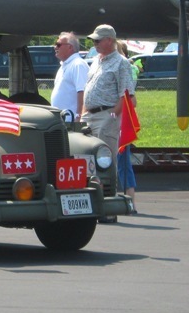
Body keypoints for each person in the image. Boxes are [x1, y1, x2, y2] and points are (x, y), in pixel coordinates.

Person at [81, 25, 135, 157]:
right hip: (89, 117)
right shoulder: (95, 61)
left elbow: (126, 95)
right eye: (93, 41)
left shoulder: (121, 62)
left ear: (109, 40)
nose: (94, 44)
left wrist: (111, 116)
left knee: (104, 160)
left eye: (97, 41)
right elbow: (88, 88)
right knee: (85, 157)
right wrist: (83, 114)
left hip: (106, 116)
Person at [116, 40, 139, 214]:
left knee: (123, 163)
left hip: (119, 122)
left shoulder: (125, 68)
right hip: (111, 120)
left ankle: (130, 201)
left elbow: (131, 100)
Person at [50, 31, 89, 122]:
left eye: (58, 44)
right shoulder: (65, 65)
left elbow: (82, 93)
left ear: (70, 47)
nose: (55, 47)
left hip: (72, 121)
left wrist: (79, 117)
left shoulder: (78, 64)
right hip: (62, 120)